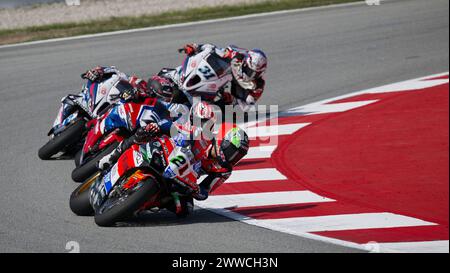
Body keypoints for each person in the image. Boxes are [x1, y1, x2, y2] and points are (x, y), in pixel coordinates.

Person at [52, 66, 149, 132]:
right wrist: (95, 72)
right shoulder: (121, 76)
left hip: (106, 111)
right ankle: (57, 124)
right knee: (70, 100)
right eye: (139, 85)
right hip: (92, 96)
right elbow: (107, 69)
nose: (138, 88)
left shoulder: (135, 100)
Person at [179, 43, 267, 109]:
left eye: (254, 73)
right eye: (249, 70)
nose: (250, 74)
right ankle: (182, 74)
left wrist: (232, 100)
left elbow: (246, 107)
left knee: (230, 110)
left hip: (234, 94)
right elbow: (215, 49)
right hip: (223, 74)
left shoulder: (258, 86)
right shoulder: (238, 55)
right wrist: (196, 47)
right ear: (245, 63)